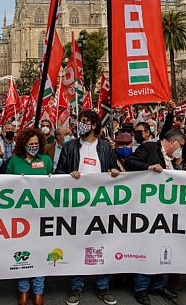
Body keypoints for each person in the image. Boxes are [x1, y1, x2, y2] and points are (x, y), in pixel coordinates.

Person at [56, 111, 120, 305]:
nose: (80, 125)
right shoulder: (70, 147)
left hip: (101, 206)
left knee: (103, 245)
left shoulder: (105, 148)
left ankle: (103, 286)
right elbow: (59, 171)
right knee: (78, 245)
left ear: (94, 125)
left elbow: (112, 168)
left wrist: (115, 171)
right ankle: (76, 286)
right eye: (79, 122)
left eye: (84, 122)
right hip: (77, 206)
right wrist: (69, 175)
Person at [123, 130, 185, 305]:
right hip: (147, 209)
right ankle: (141, 288)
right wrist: (148, 168)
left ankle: (157, 284)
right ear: (174, 142)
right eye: (180, 145)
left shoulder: (173, 160)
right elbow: (130, 162)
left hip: (166, 210)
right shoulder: (150, 147)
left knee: (162, 248)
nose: (180, 149)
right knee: (146, 247)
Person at [6, 127, 52, 305]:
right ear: (23, 144)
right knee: (22, 253)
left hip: (41, 215)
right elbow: (5, 186)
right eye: (30, 144)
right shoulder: (14, 162)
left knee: (40, 252)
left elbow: (54, 184)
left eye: (36, 143)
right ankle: (23, 290)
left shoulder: (46, 160)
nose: (33, 146)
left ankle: (39, 290)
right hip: (20, 215)